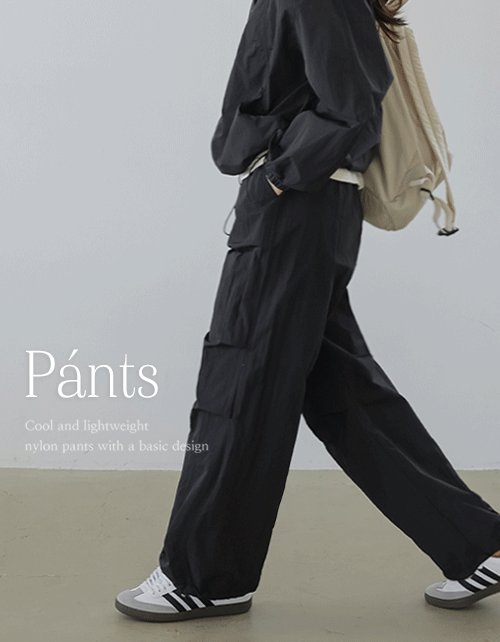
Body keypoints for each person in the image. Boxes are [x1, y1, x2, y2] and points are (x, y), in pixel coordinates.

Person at [115, 0, 500, 622]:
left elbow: (352, 101)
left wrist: (280, 177)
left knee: (243, 381)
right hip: (308, 208)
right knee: (341, 390)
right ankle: (481, 546)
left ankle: (205, 576)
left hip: (296, 205)